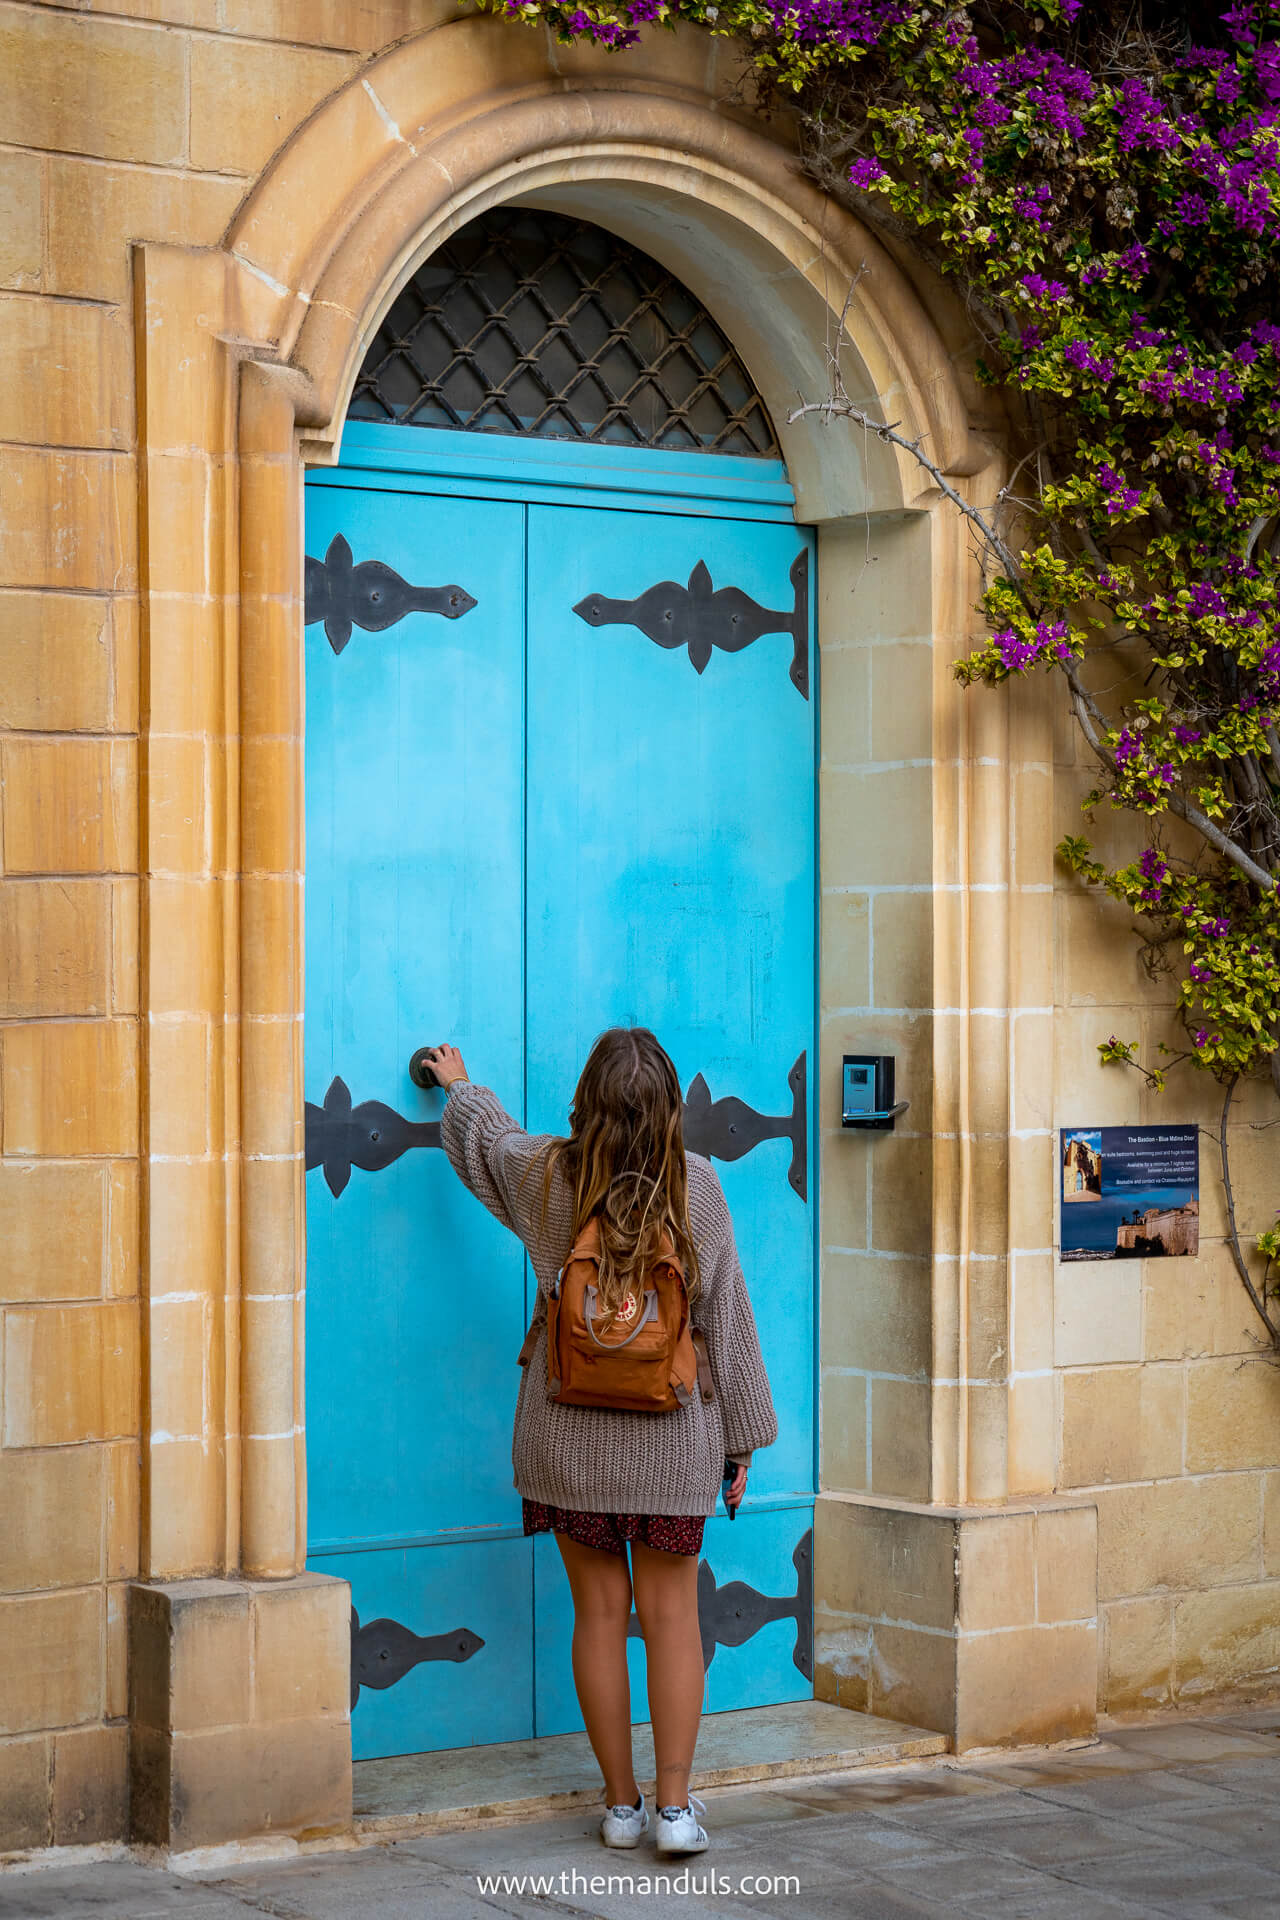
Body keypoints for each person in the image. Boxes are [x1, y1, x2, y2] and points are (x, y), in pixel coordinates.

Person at [424, 1027, 777, 1857]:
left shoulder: (548, 1175)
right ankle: (676, 1812)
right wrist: (743, 1439)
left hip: (567, 1444)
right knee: (673, 1619)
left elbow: (489, 1142)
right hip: (675, 1444)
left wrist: (459, 1084)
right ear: (668, 1110)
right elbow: (726, 1317)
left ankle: (621, 1807)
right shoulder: (697, 1186)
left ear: (585, 1101)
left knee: (599, 1615)